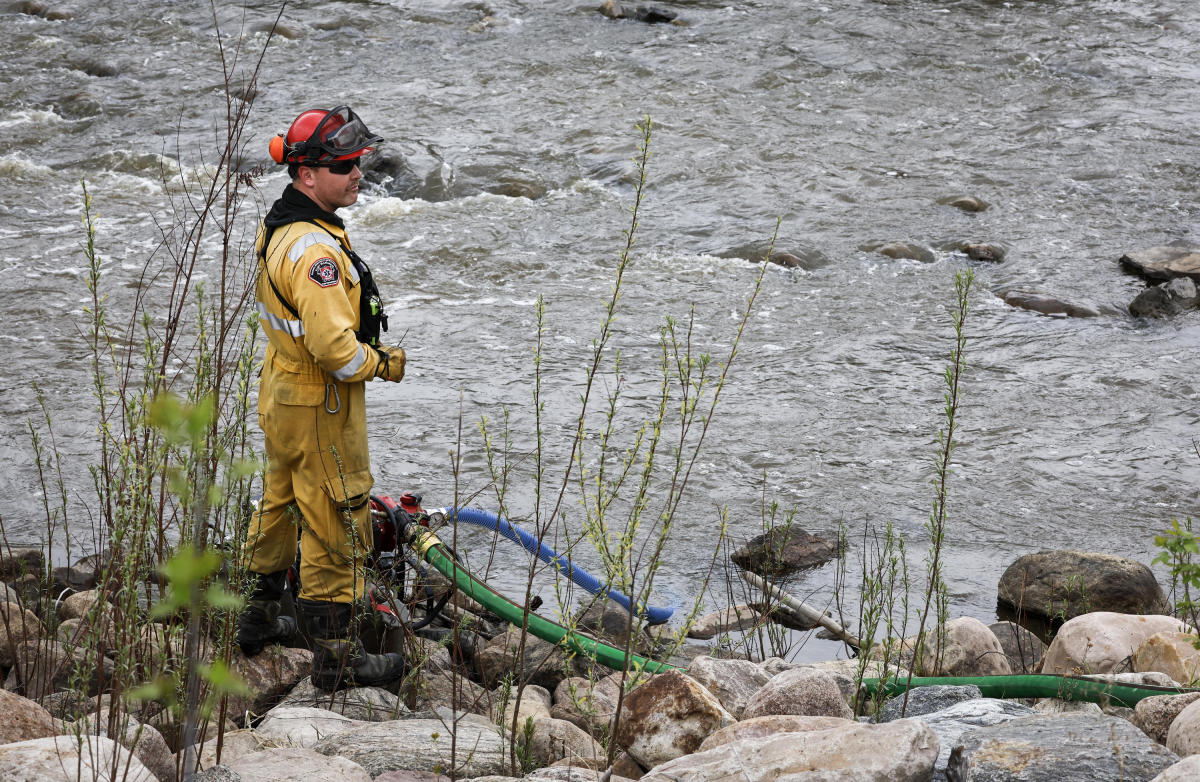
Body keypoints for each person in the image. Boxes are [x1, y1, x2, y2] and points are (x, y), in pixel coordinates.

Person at [236, 105, 407, 691]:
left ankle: (255, 620)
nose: (360, 171)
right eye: (345, 164)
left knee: (279, 504)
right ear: (307, 173)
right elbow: (337, 352)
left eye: (359, 159)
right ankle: (336, 661)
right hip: (321, 404)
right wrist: (384, 364)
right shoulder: (318, 256)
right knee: (338, 514)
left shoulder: (281, 225)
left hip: (281, 392)